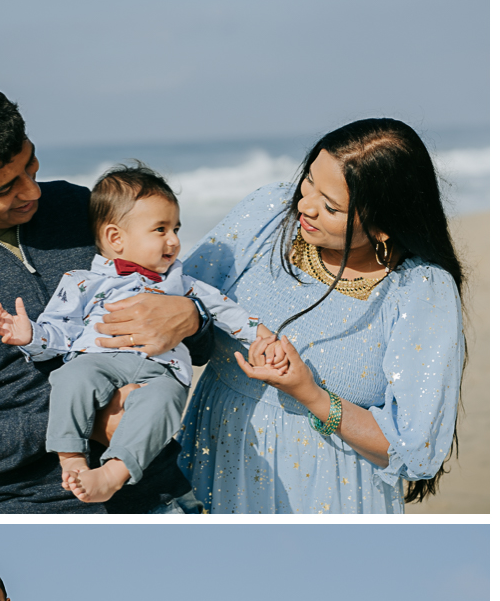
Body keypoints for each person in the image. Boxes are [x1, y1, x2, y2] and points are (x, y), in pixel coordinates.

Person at [0, 76, 213, 514]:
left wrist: (191, 317)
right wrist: (85, 420)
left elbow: (197, 345)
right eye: (3, 189)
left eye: (30, 167)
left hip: (165, 489)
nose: (32, 191)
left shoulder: (77, 208)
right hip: (39, 512)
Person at [178, 118, 466, 514]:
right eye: (308, 179)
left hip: (330, 491)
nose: (304, 205)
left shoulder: (420, 291)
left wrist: (310, 394)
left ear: (383, 227)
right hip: (212, 452)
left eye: (330, 207)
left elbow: (415, 450)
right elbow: (177, 300)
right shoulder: (267, 214)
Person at [0, 163, 274, 504]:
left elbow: (223, 309)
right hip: (99, 360)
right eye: (160, 229)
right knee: (70, 378)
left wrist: (260, 335)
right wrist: (30, 335)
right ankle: (71, 456)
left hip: (162, 370)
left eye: (176, 228)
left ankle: (114, 472)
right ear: (116, 238)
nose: (174, 240)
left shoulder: (181, 283)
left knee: (164, 401)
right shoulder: (82, 281)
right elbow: (61, 331)